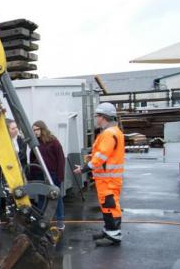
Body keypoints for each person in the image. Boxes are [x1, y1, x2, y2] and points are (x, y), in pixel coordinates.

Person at [74, 102, 125, 246]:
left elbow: (101, 156)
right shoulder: (113, 132)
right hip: (108, 179)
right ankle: (110, 231)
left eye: (97, 116)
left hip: (108, 180)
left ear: (103, 117)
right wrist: (90, 161)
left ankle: (114, 235)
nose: (96, 119)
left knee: (110, 206)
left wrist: (84, 168)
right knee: (108, 206)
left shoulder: (109, 134)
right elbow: (103, 155)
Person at [29, 120, 66, 231]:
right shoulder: (34, 143)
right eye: (33, 130)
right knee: (41, 198)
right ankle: (43, 221)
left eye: (37, 129)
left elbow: (61, 159)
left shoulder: (53, 141)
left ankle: (60, 222)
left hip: (53, 174)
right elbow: (32, 159)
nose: (35, 132)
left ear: (42, 129)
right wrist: (32, 175)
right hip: (39, 174)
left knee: (57, 198)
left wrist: (60, 176)